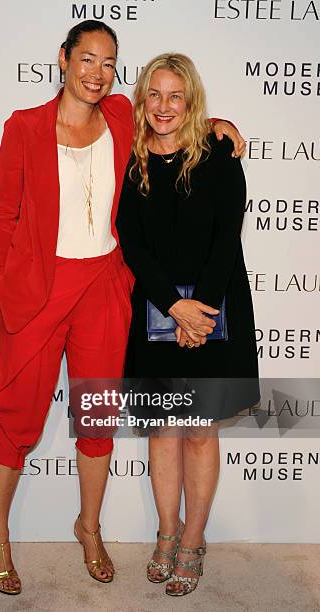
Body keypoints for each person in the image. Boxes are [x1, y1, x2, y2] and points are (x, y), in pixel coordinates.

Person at [0, 20, 245, 594]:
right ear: (63, 59)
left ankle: (89, 528)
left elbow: (178, 116)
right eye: (87, 60)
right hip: (41, 290)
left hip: (104, 286)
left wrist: (221, 124)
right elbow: (3, 218)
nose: (97, 73)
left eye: (108, 63)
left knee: (97, 417)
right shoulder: (24, 127)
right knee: (18, 418)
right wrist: (6, 285)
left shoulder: (123, 117)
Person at [116, 53, 259, 597]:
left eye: (176, 96)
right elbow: (131, 240)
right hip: (155, 308)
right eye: (155, 94)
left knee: (199, 432)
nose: (164, 106)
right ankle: (166, 533)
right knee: (162, 431)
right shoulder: (132, 157)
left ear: (192, 99)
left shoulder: (220, 152)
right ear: (142, 99)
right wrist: (172, 307)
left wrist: (198, 309)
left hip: (215, 308)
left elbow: (227, 237)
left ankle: (194, 541)